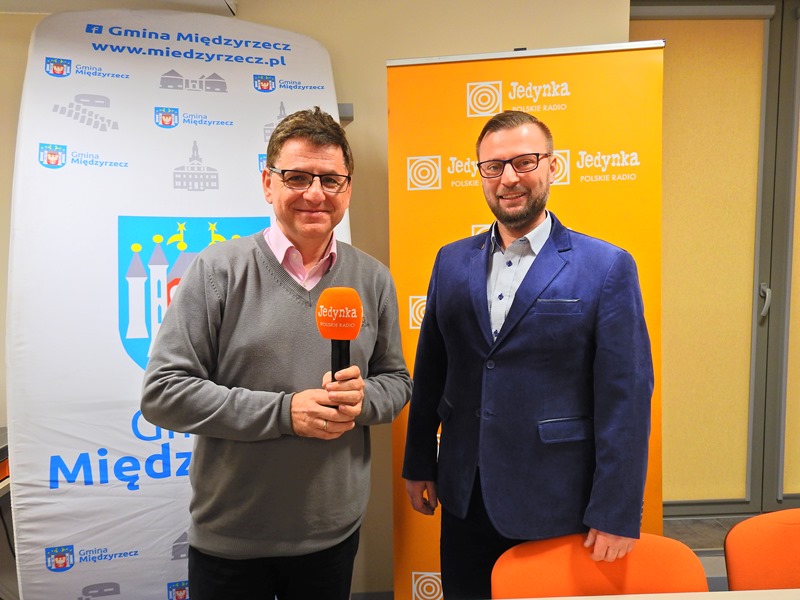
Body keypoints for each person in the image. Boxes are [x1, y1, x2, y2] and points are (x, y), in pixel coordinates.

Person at [141, 106, 411, 600]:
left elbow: (396, 381)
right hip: (232, 540)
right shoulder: (217, 270)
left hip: (331, 535)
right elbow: (164, 394)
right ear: (268, 184)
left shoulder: (373, 278)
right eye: (297, 177)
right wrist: (286, 413)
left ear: (348, 189)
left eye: (330, 180)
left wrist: (363, 400)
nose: (315, 193)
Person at [402, 110, 653, 599]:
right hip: (465, 495)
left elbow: (625, 398)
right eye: (493, 166)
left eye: (524, 162)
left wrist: (616, 509)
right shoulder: (450, 261)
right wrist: (419, 462)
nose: (509, 178)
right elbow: (431, 368)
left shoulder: (606, 266)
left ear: (552, 166)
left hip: (558, 501)